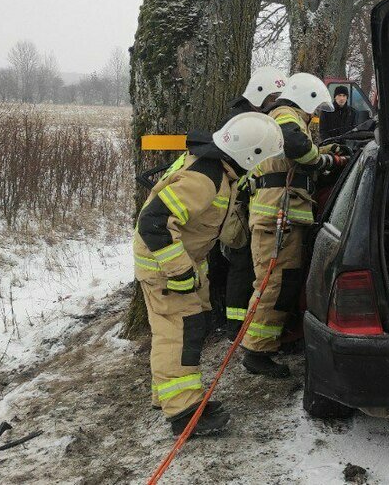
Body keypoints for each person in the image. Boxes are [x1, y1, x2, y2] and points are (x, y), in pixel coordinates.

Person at [134, 113, 284, 436]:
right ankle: (183, 413)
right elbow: (153, 222)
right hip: (165, 265)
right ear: (249, 155)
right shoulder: (205, 179)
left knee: (174, 330)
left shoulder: (219, 171)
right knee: (180, 332)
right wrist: (179, 271)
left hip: (178, 260)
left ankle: (168, 398)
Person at [241, 72, 347, 378]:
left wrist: (329, 153)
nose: (314, 115)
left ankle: (267, 343)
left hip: (283, 217)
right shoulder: (286, 114)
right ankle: (255, 352)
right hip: (277, 217)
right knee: (273, 284)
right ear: (307, 98)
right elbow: (298, 148)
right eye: (315, 108)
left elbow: (298, 153)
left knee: (281, 282)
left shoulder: (284, 117)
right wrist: (324, 161)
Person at [219, 67, 288, 338]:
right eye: (273, 97)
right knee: (241, 262)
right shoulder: (241, 122)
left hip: (245, 201)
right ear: (260, 95)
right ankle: (235, 325)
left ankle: (238, 321)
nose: (275, 103)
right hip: (236, 203)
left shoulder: (250, 117)